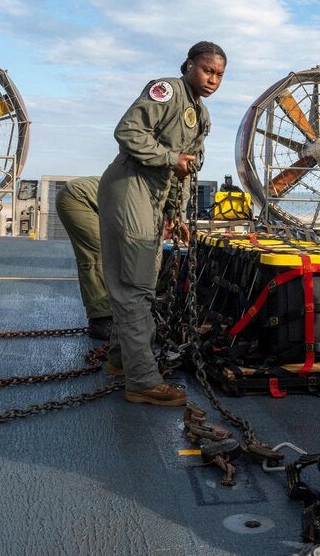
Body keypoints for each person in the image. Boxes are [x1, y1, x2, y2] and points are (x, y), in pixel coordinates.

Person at [98, 41, 226, 407]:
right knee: (134, 286)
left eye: (219, 75)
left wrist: (175, 214)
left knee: (144, 282)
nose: (213, 79)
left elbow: (183, 171)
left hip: (154, 195)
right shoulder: (167, 91)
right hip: (130, 185)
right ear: (189, 66)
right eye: (207, 70)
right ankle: (141, 380)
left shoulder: (201, 115)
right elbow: (127, 132)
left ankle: (121, 361)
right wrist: (170, 157)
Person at [55, 176, 113, 340]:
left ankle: (108, 311)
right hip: (77, 198)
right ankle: (100, 320)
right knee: (97, 256)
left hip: (87, 198)